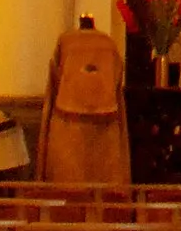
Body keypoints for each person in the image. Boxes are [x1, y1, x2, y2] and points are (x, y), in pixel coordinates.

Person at [40, 12, 131, 186]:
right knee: (106, 191)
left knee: (66, 190)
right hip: (106, 128)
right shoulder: (109, 44)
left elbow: (54, 81)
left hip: (67, 127)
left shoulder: (66, 42)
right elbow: (117, 79)